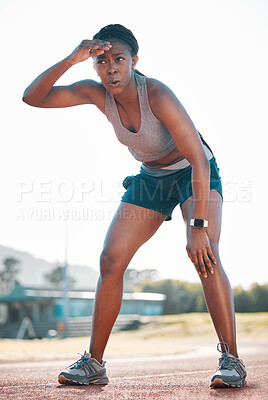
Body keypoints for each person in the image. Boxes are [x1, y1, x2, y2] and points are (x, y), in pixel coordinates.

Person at [23, 24, 247, 389]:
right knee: (110, 260)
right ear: (95, 65)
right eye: (103, 61)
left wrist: (199, 227)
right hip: (151, 179)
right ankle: (94, 364)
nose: (111, 67)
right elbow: (33, 97)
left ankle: (231, 359)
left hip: (194, 172)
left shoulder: (156, 93)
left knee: (206, 255)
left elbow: (199, 161)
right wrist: (72, 58)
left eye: (120, 59)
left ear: (134, 61)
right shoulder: (97, 94)